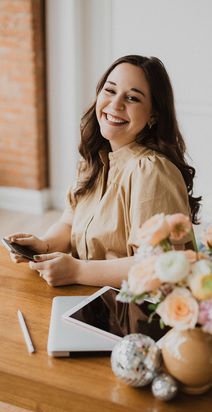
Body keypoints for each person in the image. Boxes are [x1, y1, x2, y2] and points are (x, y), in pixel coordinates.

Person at [6, 55, 201, 287]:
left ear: (153, 116)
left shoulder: (152, 171)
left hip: (132, 310)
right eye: (110, 91)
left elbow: (159, 265)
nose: (116, 104)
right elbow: (70, 223)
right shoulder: (94, 159)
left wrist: (76, 271)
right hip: (86, 297)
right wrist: (45, 245)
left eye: (132, 98)